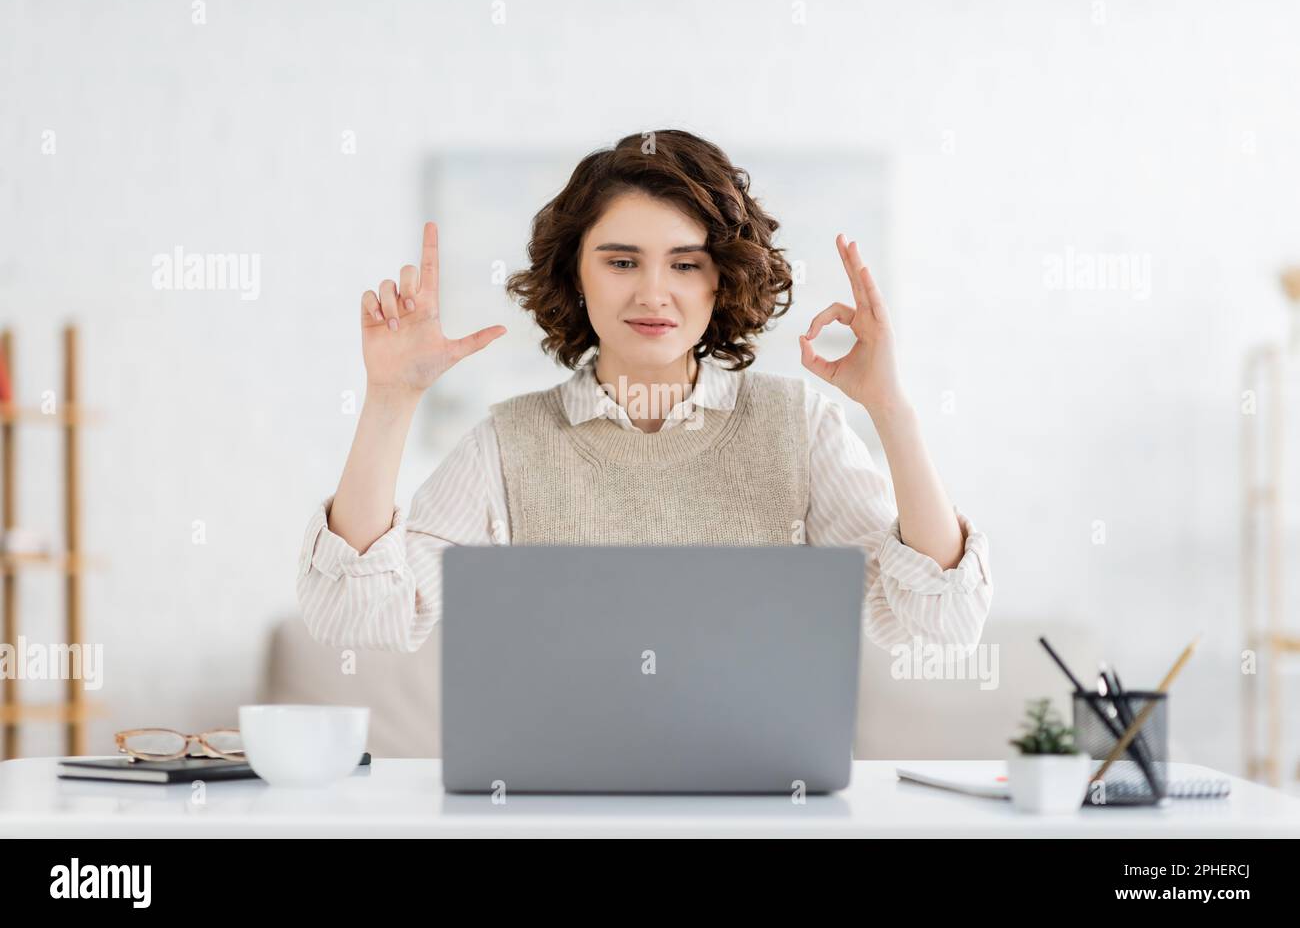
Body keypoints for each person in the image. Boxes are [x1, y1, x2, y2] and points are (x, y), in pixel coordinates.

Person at [297, 129, 991, 656]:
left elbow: (943, 622)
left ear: (720, 281)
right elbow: (355, 620)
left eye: (685, 264)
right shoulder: (508, 444)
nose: (654, 292)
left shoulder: (798, 427)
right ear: (576, 276)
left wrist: (892, 412)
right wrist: (389, 401)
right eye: (622, 260)